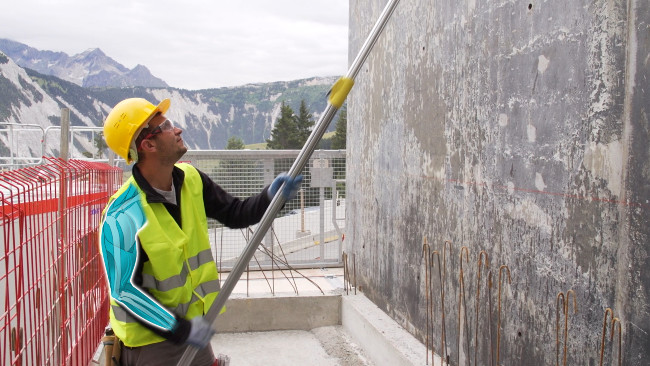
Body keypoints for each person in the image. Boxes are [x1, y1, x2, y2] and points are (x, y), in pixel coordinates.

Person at [99, 97, 302, 366]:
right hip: (152, 345)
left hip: (192, 332)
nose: (178, 130)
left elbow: (235, 213)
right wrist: (181, 329)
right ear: (148, 144)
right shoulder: (121, 216)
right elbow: (125, 292)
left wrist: (269, 197)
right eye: (167, 126)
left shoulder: (191, 179)